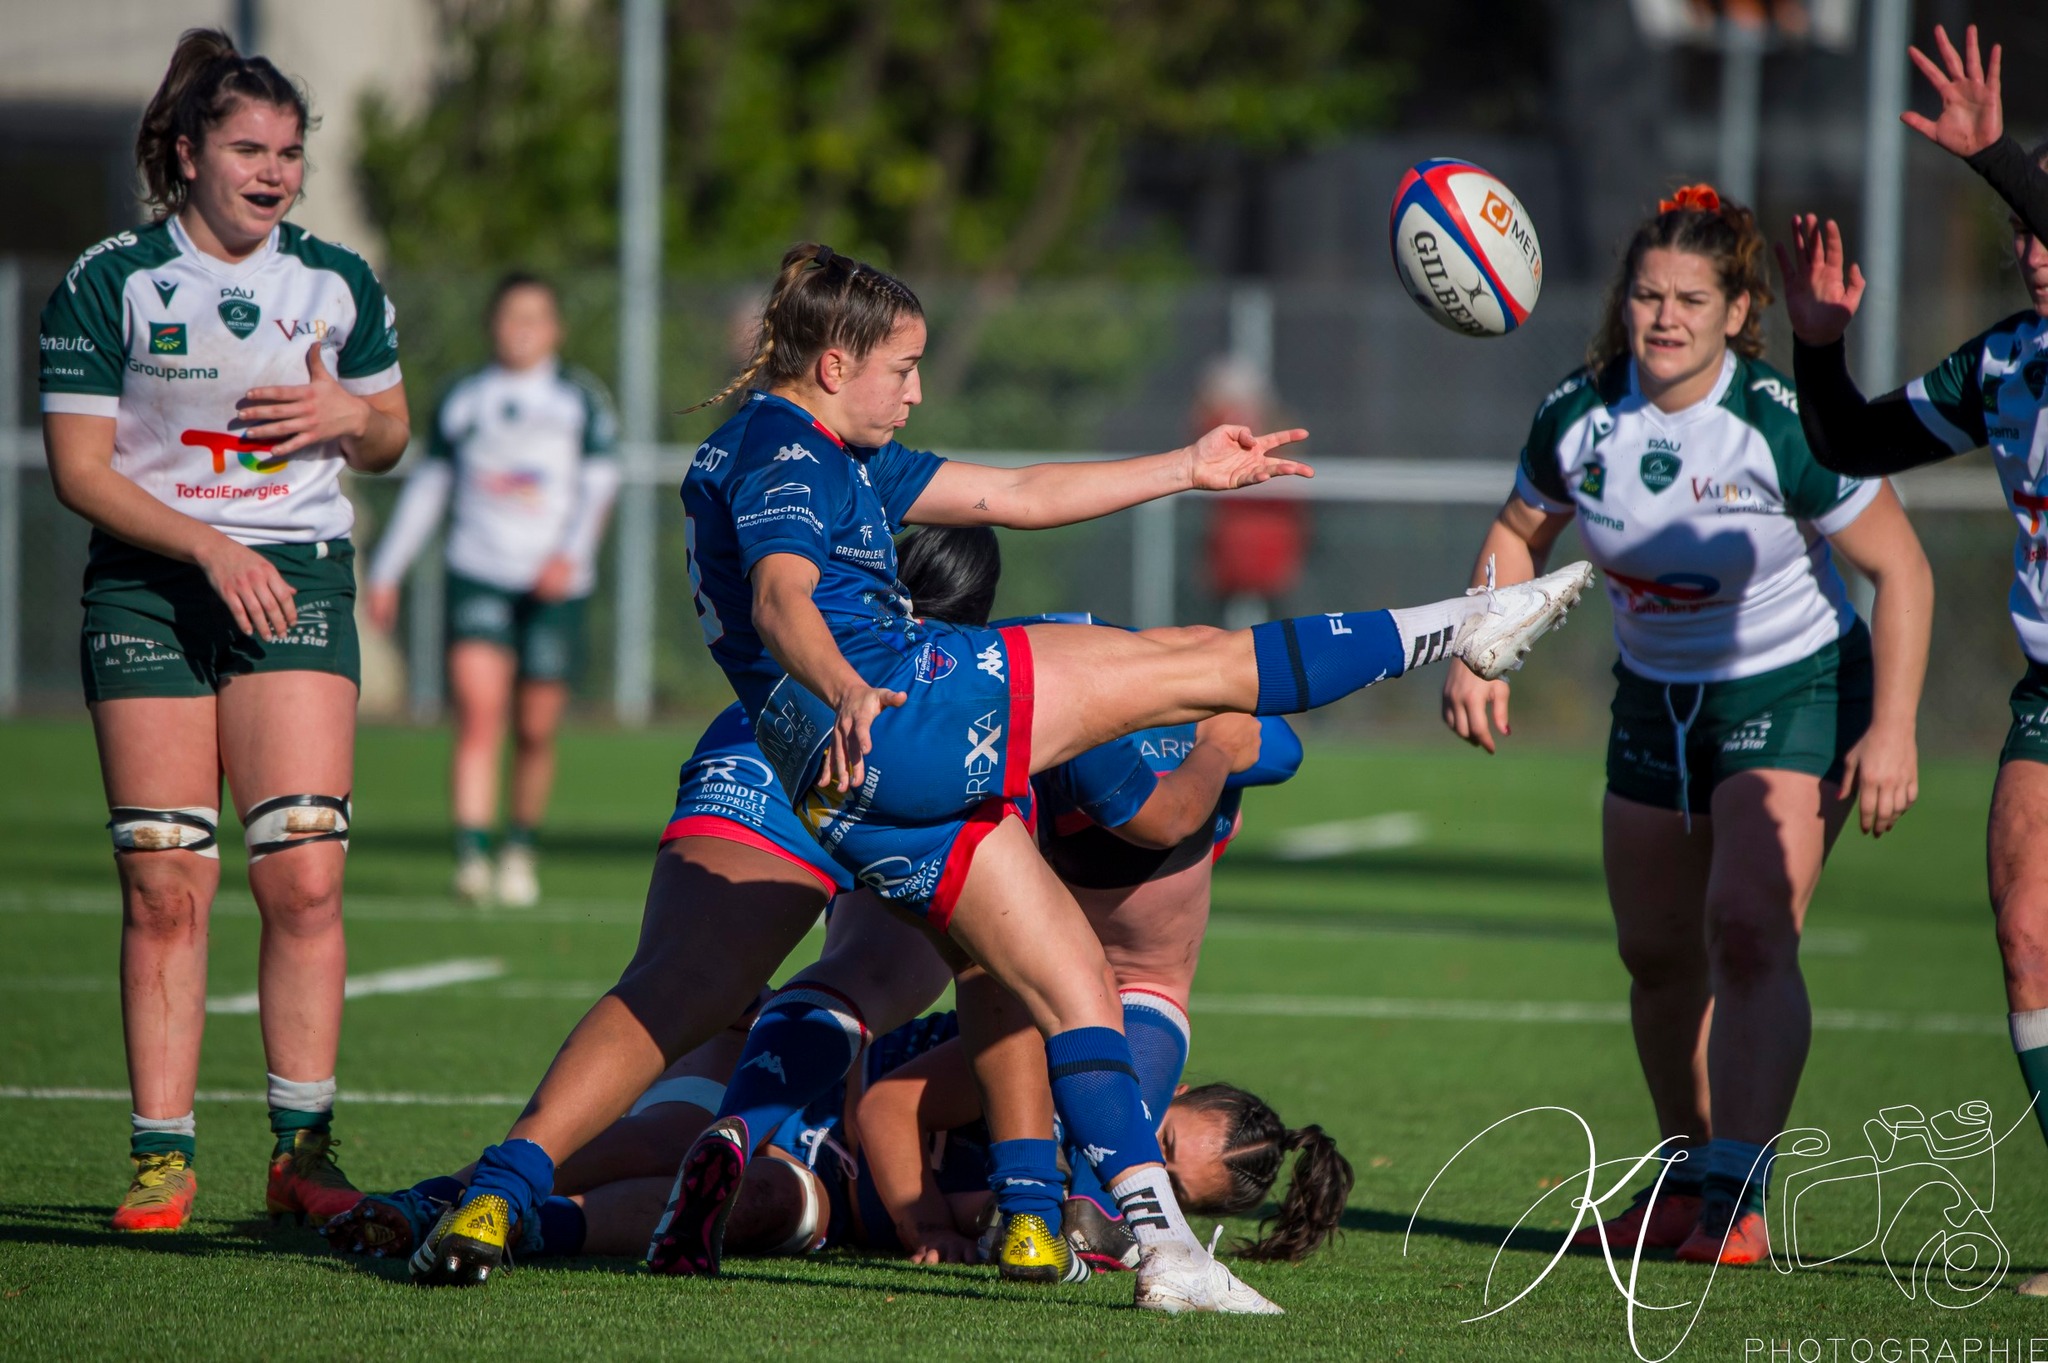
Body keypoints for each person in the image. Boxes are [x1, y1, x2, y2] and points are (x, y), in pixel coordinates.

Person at [419, 241, 1590, 1318]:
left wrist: (1184, 466)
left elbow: (1018, 496)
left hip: (854, 791)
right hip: (908, 707)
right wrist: (843, 684)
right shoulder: (787, 453)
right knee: (1188, 666)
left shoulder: (817, 449)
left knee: (1062, 981)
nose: (917, 390)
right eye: (903, 368)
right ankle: (1468, 626)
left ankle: (503, 1190)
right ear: (835, 365)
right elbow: (781, 595)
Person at [1440, 184, 1933, 1268]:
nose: (1661, 318)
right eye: (1645, 295)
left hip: (1794, 691)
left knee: (1748, 929)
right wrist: (1483, 644)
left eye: (1688, 300)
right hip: (1652, 704)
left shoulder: (1776, 418)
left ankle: (1738, 1194)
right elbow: (1516, 532)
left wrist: (1890, 727)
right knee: (1656, 956)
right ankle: (1684, 1173)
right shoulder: (1580, 412)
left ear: (1735, 309)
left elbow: (1898, 568)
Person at [36, 29, 410, 1233]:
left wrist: (352, 413)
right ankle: (161, 1155)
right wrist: (205, 544)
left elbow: (392, 433)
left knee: (303, 872)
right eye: (249, 148)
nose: (274, 171)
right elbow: (79, 471)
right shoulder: (112, 281)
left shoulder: (337, 280)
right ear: (186, 153)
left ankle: (302, 1150)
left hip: (294, 580)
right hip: (150, 586)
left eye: (292, 152)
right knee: (164, 881)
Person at [1778, 22, 2048, 1297]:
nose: (2035, 252)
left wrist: (1993, 152)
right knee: (2026, 938)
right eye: (2026, 235)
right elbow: (1847, 440)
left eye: (2047, 227)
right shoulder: (2005, 363)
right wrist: (1818, 344)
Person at [329, 1002, 1344, 1271]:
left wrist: (973, 1219)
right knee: (680, 1136)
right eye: (1160, 1143)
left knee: (755, 1204)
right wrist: (919, 1218)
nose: (1143, 1170)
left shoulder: (1086, 1203)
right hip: (803, 1087)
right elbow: (889, 1105)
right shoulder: (1053, 1063)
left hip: (827, 1188)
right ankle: (444, 1196)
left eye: (1170, 1188)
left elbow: (959, 1206)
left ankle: (527, 1230)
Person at [366, 273, 620, 906]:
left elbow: (598, 487)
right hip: (477, 571)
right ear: (492, 326)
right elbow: (430, 488)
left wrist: (570, 557)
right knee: (480, 714)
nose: (522, 330)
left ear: (555, 329)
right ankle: (472, 856)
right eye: (511, 317)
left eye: (535, 317)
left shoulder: (579, 400)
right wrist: (386, 570)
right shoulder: (464, 397)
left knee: (535, 728)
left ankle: (519, 847)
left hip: (555, 586)